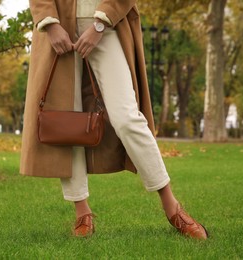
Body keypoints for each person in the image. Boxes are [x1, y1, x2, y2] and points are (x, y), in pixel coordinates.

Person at [20, 0, 208, 239]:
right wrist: (49, 23)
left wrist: (100, 24)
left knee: (127, 118)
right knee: (67, 121)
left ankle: (172, 208)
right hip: (60, 26)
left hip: (109, 25)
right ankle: (82, 213)